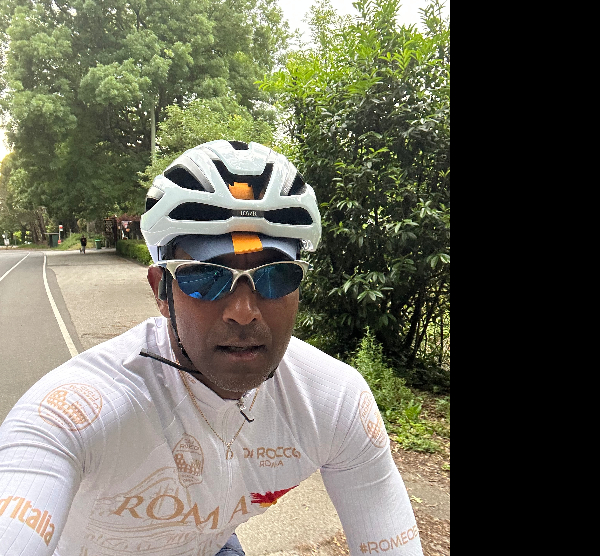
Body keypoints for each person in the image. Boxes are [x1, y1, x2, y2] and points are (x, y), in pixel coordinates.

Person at [0, 140, 423, 555]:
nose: (243, 312)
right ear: (161, 291)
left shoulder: (334, 399)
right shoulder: (75, 409)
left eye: (276, 275)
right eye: (205, 278)